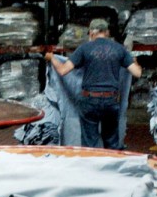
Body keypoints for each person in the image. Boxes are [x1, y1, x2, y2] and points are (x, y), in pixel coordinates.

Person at [45, 18, 142, 149]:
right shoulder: (119, 49)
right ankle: (111, 166)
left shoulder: (84, 48)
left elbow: (62, 71)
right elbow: (137, 73)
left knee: (89, 145)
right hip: (111, 100)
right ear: (107, 33)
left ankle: (91, 166)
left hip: (89, 100)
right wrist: (134, 61)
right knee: (112, 144)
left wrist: (52, 58)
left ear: (91, 33)